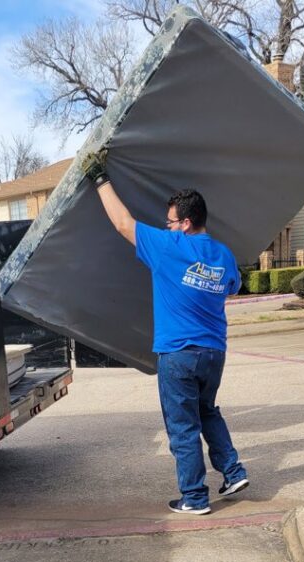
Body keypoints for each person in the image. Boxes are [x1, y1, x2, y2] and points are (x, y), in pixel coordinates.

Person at [82, 149, 248, 515]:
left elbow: (124, 224)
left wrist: (99, 179)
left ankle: (194, 497)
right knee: (207, 412)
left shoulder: (169, 246)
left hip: (179, 354)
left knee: (183, 427)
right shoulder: (223, 254)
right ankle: (233, 472)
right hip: (213, 353)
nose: (167, 226)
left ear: (186, 223)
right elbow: (233, 287)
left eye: (171, 221)